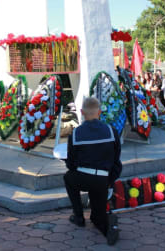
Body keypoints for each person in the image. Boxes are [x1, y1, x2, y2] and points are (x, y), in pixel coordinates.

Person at [64, 97, 122, 246]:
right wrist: (109, 180)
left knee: (68, 178)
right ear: (100, 112)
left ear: (82, 113)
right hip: (103, 179)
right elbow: (117, 160)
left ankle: (79, 217)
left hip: (83, 178)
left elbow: (71, 163)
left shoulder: (75, 134)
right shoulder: (111, 131)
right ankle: (108, 225)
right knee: (97, 217)